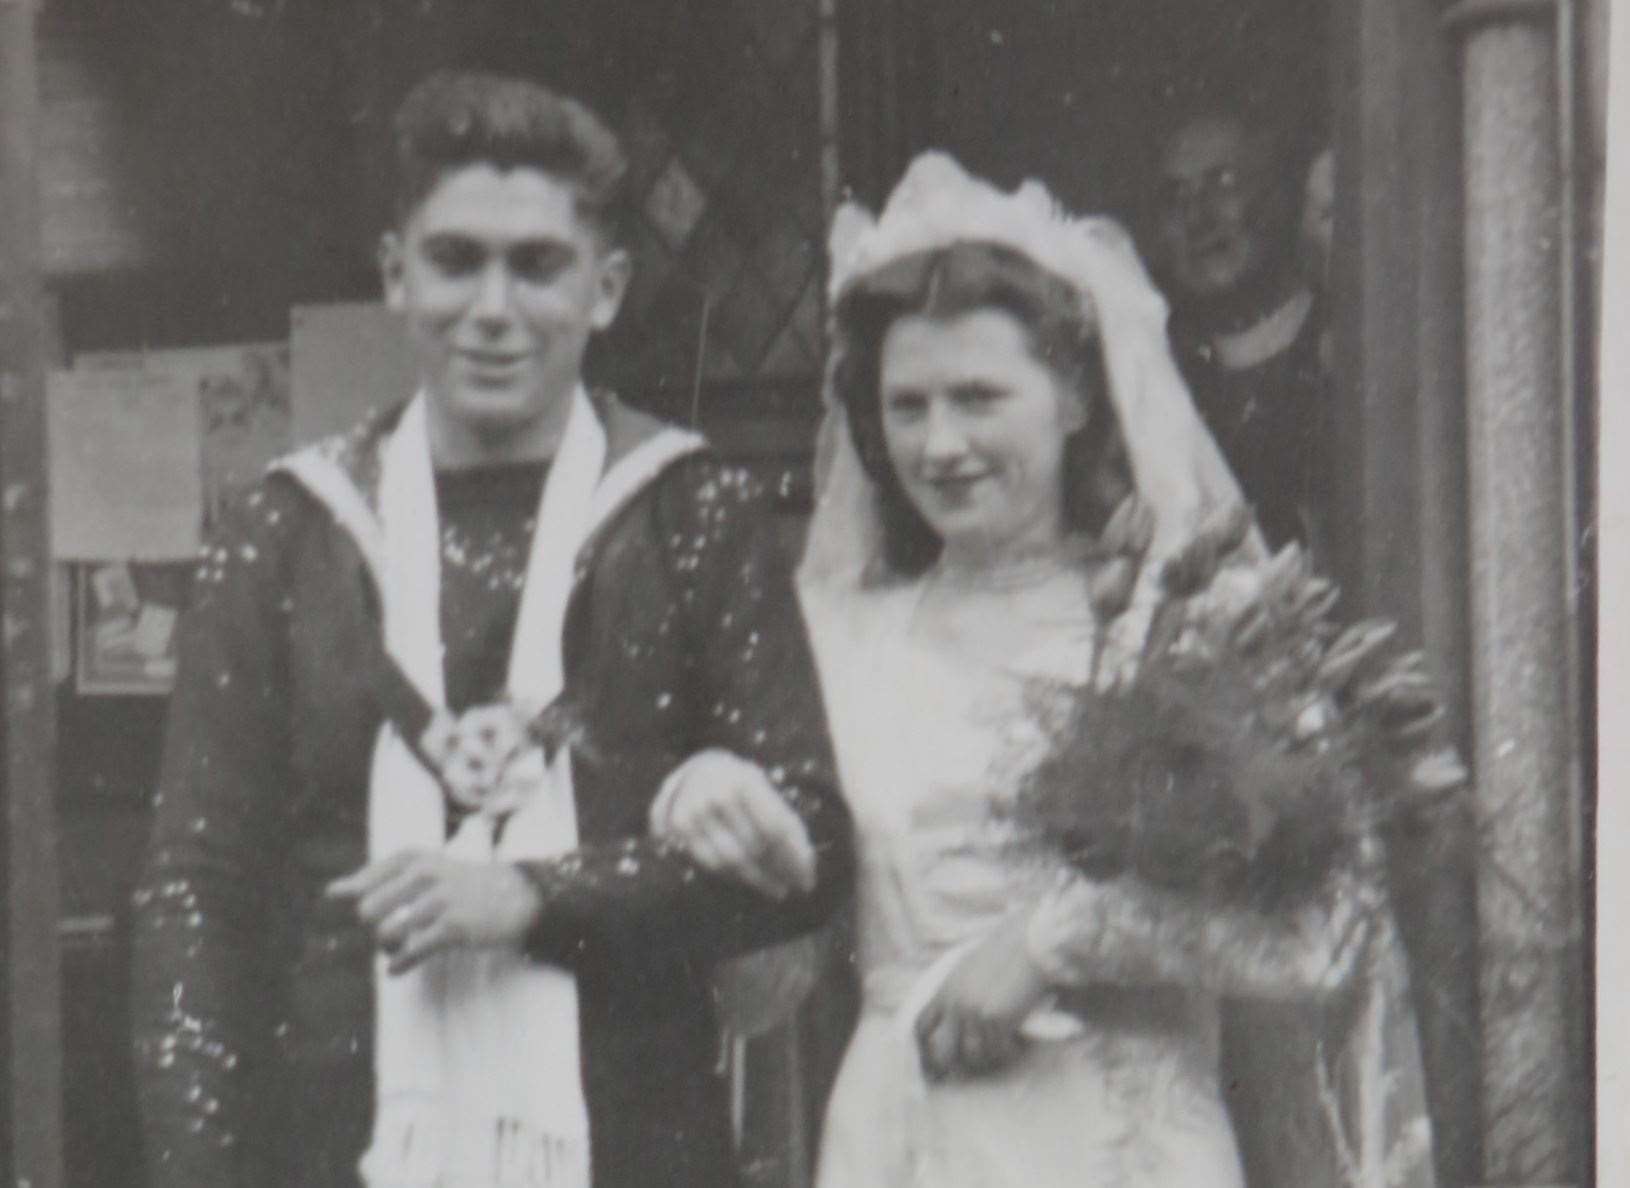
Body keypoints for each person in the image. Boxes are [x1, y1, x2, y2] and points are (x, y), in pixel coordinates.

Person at [656, 153, 1436, 1187]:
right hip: (902, 1138)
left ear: (1072, 396)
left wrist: (1053, 944)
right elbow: (764, 992)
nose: (940, 444)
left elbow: (1319, 931)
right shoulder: (834, 637)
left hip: (1127, 1143)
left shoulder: (1188, 621)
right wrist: (714, 817)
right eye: (908, 405)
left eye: (979, 397)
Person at [130, 70, 852, 1188]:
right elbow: (196, 893)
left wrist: (537, 899)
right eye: (455, 260)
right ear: (394, 276)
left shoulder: (685, 510)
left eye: (538, 266)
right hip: (340, 1147)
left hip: (631, 1147)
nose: (493, 308)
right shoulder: (287, 531)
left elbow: (811, 857)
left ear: (606, 288)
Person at [1145, 97, 1331, 558]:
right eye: (1176, 198)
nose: (1198, 218)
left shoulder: (1342, 342)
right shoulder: (1159, 374)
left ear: (1281, 193)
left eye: (1224, 183)